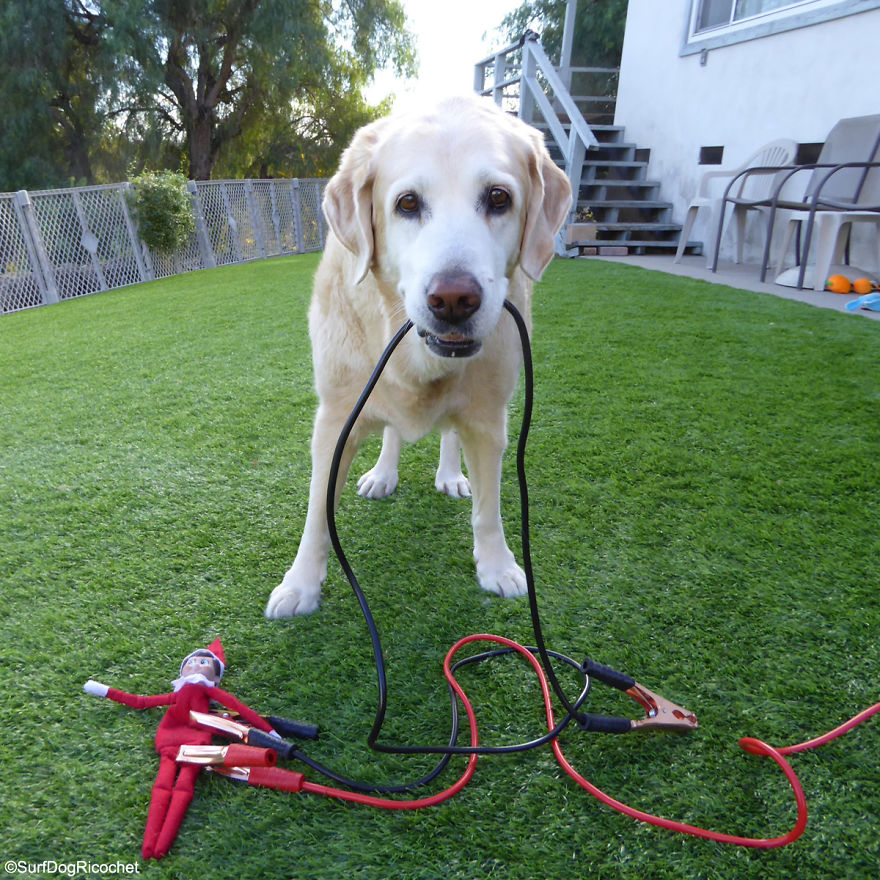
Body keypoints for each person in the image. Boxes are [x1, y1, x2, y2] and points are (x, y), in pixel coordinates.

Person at [84, 639, 276, 860]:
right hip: (170, 740)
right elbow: (139, 701)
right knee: (162, 786)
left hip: (196, 744)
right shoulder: (178, 695)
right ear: (183, 671)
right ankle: (150, 846)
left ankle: (161, 846)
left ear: (215, 677)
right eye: (191, 661)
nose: (196, 665)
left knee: (183, 788)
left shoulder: (210, 693)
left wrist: (270, 733)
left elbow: (240, 709)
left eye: (204, 662)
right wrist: (104, 690)